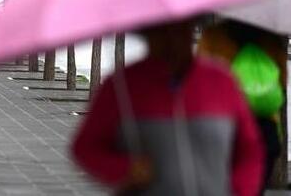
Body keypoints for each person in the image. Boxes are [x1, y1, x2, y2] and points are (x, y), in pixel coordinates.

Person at [71, 20, 263, 196]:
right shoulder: (121, 87)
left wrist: (240, 190)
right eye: (161, 33)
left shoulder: (221, 81)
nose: (172, 41)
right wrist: (123, 169)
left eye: (181, 31)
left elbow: (250, 149)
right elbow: (86, 147)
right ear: (147, 35)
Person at [198, 20, 285, 191]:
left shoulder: (213, 37)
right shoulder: (271, 39)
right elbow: (281, 81)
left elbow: (199, 79)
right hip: (265, 129)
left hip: (222, 126)